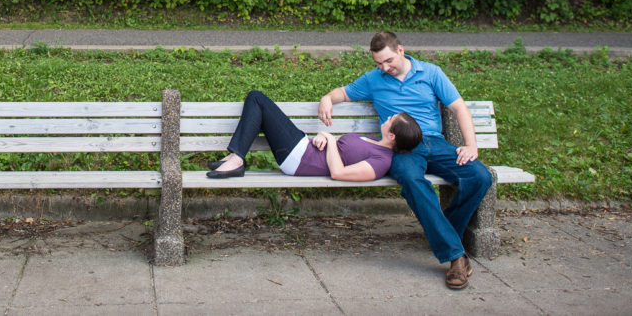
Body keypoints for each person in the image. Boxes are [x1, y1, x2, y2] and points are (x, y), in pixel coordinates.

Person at [318, 31, 492, 290]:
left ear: (400, 50)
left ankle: (444, 230)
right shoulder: (373, 79)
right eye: (379, 63)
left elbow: (459, 108)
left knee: (480, 176)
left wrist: (471, 145)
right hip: (403, 149)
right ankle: (456, 257)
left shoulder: (431, 73)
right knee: (411, 180)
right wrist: (326, 98)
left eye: (388, 61)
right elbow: (341, 93)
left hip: (436, 142)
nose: (384, 68)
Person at [207, 90, 422, 182]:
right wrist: (325, 137)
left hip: (300, 159)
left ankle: (236, 159)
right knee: (256, 99)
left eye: (392, 120)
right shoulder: (374, 140)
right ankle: (235, 158)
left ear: (393, 136)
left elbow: (338, 172)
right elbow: (340, 148)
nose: (388, 117)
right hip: (304, 148)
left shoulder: (381, 162)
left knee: (257, 99)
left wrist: (329, 140)